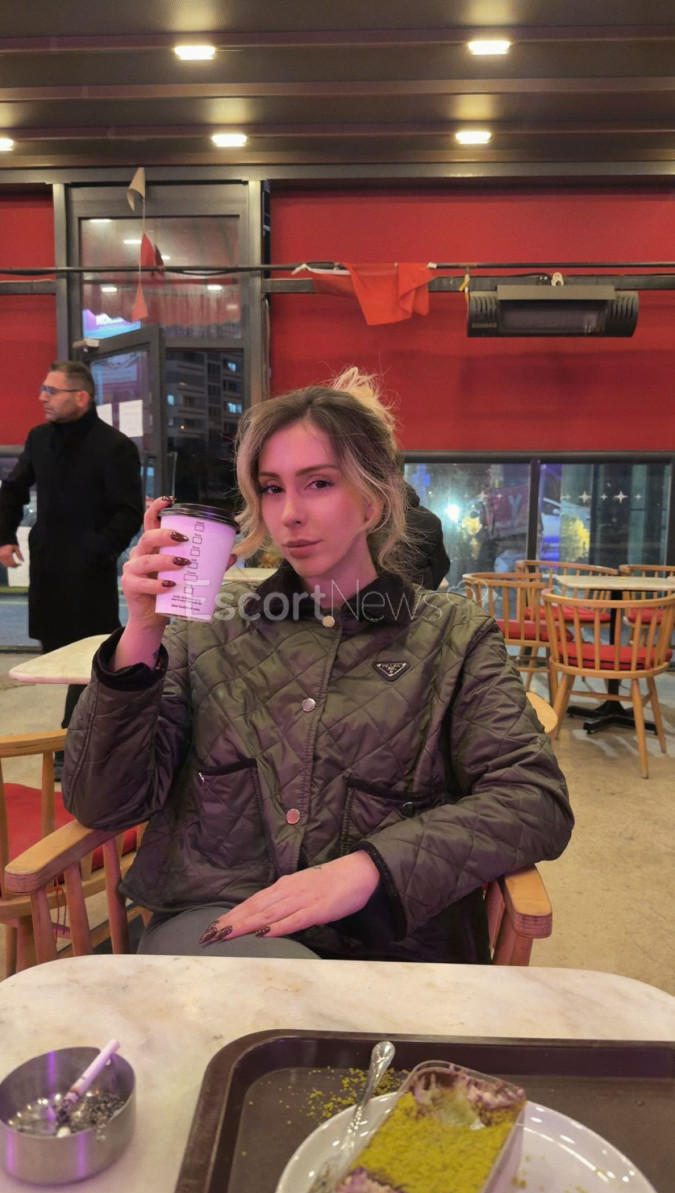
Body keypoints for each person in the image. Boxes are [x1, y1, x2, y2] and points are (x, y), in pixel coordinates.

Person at [62, 368, 572, 963]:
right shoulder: (207, 627)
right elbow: (103, 804)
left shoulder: (452, 635)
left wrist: (367, 869)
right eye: (271, 488)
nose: (289, 514)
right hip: (223, 926)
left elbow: (533, 799)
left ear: (373, 498)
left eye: (319, 483)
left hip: (393, 938)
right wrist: (143, 633)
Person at [0, 360, 144, 775]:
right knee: (57, 655)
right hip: (47, 569)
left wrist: (94, 553)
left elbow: (128, 512)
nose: (42, 397)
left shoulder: (114, 446)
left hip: (88, 576)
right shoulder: (39, 438)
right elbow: (13, 488)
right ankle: (77, 738)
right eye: (42, 389)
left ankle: (72, 743)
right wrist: (5, 536)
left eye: (52, 390)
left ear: (80, 397)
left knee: (91, 658)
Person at [403, 481, 450, 588]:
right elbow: (442, 564)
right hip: (420, 592)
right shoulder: (430, 519)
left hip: (377, 594)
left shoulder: (374, 520)